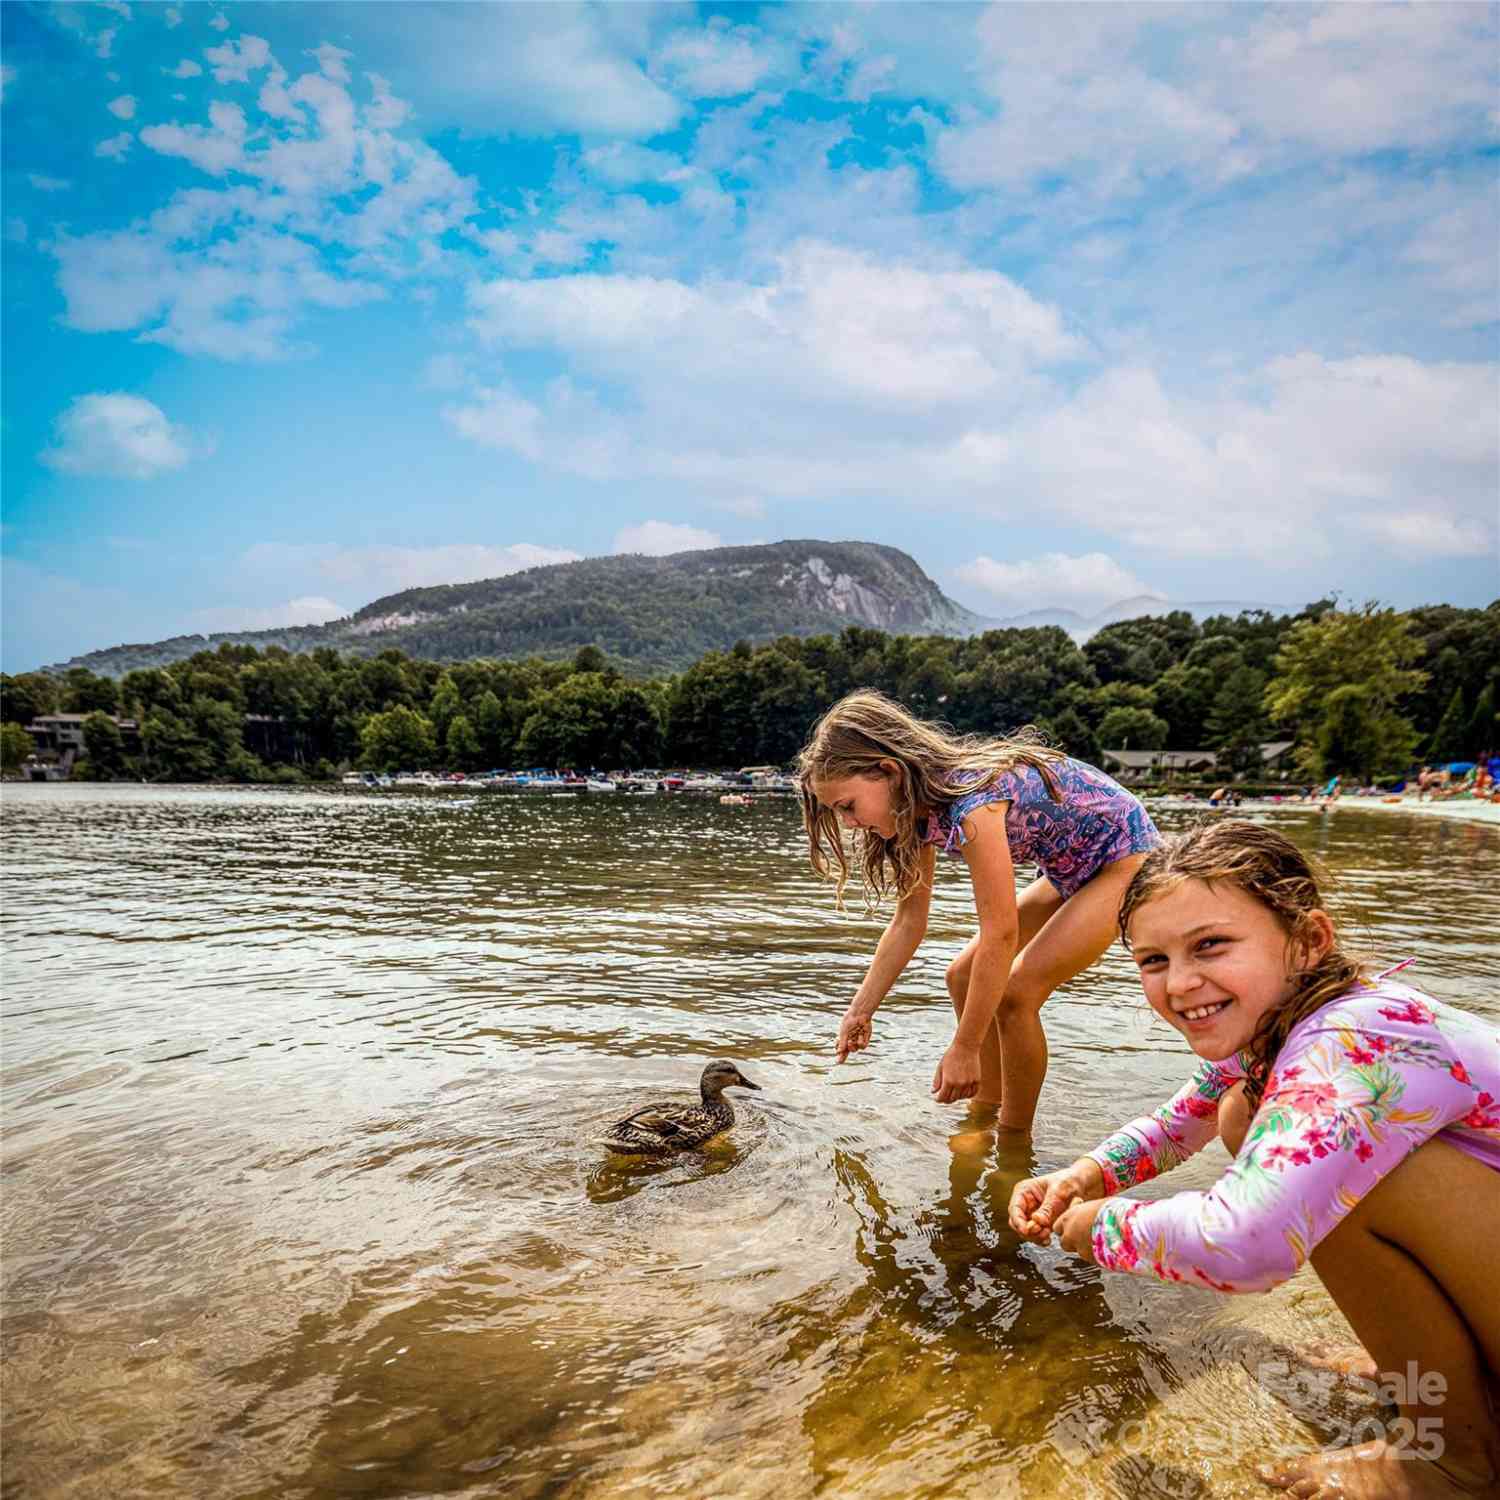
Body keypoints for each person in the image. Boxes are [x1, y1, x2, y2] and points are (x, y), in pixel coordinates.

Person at [1008, 820, 1500, 1497]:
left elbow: (1243, 1244)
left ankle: (1457, 1462)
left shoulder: (1349, 1041)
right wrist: (1084, 1175)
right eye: (1153, 961)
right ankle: (1429, 1370)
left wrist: (1095, 1227)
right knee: (1248, 1113)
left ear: (1308, 942)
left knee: (1349, 1174)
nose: (1180, 985)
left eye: (1210, 945)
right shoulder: (1300, 1015)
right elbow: (1185, 1120)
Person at [796, 690, 1160, 1131]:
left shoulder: (974, 806)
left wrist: (963, 1046)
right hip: (1069, 869)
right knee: (961, 976)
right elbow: (909, 922)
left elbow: (1001, 934)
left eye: (848, 807)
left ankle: (1013, 1139)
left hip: (1125, 858)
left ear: (889, 771)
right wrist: (861, 1009)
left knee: (1016, 994)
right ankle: (985, 1111)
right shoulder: (918, 816)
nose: (849, 823)